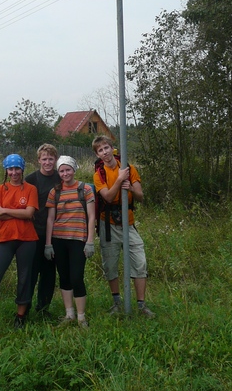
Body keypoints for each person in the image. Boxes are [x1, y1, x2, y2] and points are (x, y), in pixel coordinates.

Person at [91, 135, 155, 318]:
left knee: (140, 262)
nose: (105, 152)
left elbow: (141, 197)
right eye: (100, 150)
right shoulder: (99, 175)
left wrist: (131, 188)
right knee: (110, 265)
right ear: (98, 154)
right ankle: (116, 303)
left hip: (129, 223)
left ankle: (142, 306)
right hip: (108, 225)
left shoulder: (129, 168)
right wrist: (119, 180)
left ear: (112, 148)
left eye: (106, 148)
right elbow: (108, 197)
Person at [0, 154, 38, 332]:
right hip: (5, 239)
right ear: (6, 170)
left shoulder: (30, 189)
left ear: (22, 169)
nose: (14, 172)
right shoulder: (1, 189)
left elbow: (29, 214)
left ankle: (20, 317)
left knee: (24, 278)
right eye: (10, 169)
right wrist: (19, 212)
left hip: (27, 239)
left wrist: (7, 210)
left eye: (17, 168)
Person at [45, 156, 95, 328]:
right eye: (62, 170)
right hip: (58, 239)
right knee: (64, 277)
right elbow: (50, 219)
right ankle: (69, 314)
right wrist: (48, 243)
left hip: (78, 239)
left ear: (74, 170)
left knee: (76, 277)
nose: (65, 173)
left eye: (68, 170)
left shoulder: (85, 189)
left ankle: (81, 317)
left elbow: (91, 216)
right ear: (58, 173)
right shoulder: (55, 192)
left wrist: (90, 241)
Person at [24, 143, 60, 317]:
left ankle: (44, 308)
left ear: (56, 160)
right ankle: (25, 307)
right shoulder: (31, 179)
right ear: (38, 160)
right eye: (44, 159)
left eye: (51, 159)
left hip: (54, 233)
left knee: (48, 273)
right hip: (34, 232)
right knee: (31, 272)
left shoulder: (60, 178)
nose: (47, 162)